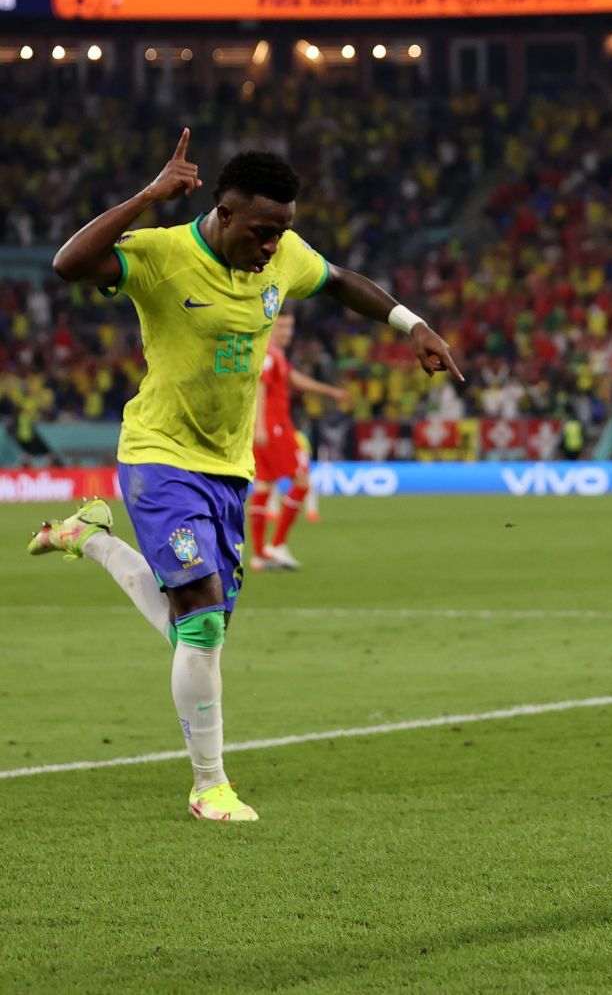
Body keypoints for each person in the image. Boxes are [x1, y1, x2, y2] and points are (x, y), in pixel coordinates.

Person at [26, 134, 462, 822]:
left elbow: (341, 279)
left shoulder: (283, 254)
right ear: (224, 213)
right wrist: (147, 197)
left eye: (282, 232)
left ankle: (93, 538)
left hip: (229, 470)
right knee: (200, 616)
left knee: (196, 627)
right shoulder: (163, 254)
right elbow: (68, 263)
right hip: (159, 454)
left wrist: (412, 324)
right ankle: (209, 785)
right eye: (262, 232)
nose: (273, 247)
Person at [247, 311, 349, 571]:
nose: (286, 332)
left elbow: (294, 380)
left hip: (275, 427)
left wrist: (330, 391)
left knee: (264, 486)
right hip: (274, 428)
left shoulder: (277, 356)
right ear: (270, 326)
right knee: (302, 481)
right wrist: (259, 426)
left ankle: (260, 554)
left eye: (289, 327)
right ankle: (277, 545)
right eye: (281, 326)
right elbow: (259, 387)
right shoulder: (268, 356)